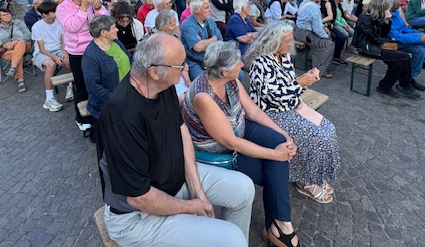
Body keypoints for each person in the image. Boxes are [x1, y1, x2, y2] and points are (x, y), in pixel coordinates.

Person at [96, 34, 254, 247]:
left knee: (244, 188)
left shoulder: (162, 86)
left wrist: (196, 189)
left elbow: (182, 131)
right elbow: (138, 197)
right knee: (231, 239)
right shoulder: (122, 117)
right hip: (137, 217)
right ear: (154, 71)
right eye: (180, 65)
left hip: (175, 182)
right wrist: (192, 207)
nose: (186, 68)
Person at [182, 41, 302, 247]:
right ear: (224, 71)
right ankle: (281, 227)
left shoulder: (230, 80)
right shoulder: (204, 96)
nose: (242, 64)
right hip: (221, 149)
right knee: (272, 169)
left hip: (240, 128)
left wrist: (284, 134)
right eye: (238, 62)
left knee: (279, 143)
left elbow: (253, 111)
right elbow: (231, 142)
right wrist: (276, 155)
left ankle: (277, 227)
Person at [246, 22, 340, 204]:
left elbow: (290, 86)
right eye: (286, 41)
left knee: (328, 130)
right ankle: (305, 181)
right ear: (273, 42)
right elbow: (272, 98)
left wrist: (306, 80)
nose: (291, 45)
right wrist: (299, 83)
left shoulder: (285, 57)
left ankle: (314, 174)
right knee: (315, 136)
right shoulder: (260, 63)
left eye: (290, 40)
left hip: (290, 106)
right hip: (270, 114)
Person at [56, 0, 108, 131]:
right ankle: (82, 117)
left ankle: (99, 112)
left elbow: (105, 23)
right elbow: (72, 27)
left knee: (99, 82)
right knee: (82, 84)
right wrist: (83, 9)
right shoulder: (62, 8)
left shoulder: (90, 3)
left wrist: (98, 9)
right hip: (77, 52)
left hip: (96, 47)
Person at [352, 0, 417, 99]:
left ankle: (384, 86)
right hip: (366, 48)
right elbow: (374, 37)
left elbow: (384, 32)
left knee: (398, 64)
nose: (388, 10)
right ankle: (405, 84)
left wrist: (387, 20)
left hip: (375, 45)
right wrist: (389, 40)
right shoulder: (365, 18)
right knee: (405, 57)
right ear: (380, 7)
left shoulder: (377, 15)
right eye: (386, 8)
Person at [83, 15, 131, 119]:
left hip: (128, 94)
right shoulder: (91, 56)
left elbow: (129, 58)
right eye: (113, 28)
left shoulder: (116, 42)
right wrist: (116, 99)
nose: (117, 30)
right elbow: (93, 86)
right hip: (108, 104)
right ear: (103, 33)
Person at [31, 1, 71, 112]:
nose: (56, 13)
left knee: (68, 60)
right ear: (45, 14)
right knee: (51, 65)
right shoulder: (37, 27)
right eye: (53, 11)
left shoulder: (60, 22)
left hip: (58, 49)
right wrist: (55, 57)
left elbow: (63, 41)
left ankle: (70, 86)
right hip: (43, 52)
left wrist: (64, 52)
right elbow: (42, 49)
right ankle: (49, 98)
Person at [0, 8, 32, 93]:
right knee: (17, 55)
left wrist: (15, 42)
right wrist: (3, 45)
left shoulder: (18, 23)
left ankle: (14, 67)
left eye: (8, 14)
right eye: (4, 15)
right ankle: (19, 78)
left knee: (21, 43)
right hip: (6, 51)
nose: (7, 16)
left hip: (25, 46)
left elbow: (28, 35)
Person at [294, 0, 335, 78]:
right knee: (329, 44)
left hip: (298, 31)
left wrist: (323, 28)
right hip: (306, 34)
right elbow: (317, 29)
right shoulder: (314, 8)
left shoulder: (303, 3)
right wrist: (325, 36)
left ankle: (315, 61)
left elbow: (315, 24)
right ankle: (320, 70)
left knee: (324, 40)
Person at [181, 0, 222, 80]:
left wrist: (203, 42)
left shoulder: (210, 22)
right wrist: (213, 39)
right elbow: (198, 48)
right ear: (196, 10)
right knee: (204, 81)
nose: (210, 10)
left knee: (239, 74)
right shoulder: (187, 24)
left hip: (212, 59)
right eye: (206, 8)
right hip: (196, 62)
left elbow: (220, 43)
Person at [155, 11, 191, 99]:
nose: (176, 27)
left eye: (175, 24)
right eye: (172, 25)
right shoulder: (156, 43)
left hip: (179, 74)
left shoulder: (174, 38)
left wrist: (187, 79)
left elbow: (182, 62)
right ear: (162, 28)